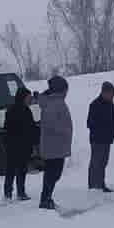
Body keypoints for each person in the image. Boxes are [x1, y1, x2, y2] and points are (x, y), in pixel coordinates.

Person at [37, 75, 73, 210]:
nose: (66, 93)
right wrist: (65, 130)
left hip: (56, 146)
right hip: (54, 146)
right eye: (65, 90)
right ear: (60, 90)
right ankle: (45, 200)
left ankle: (46, 198)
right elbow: (51, 123)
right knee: (53, 174)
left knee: (53, 174)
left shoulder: (54, 101)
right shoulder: (54, 103)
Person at [2, 86, 37, 201]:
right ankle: (12, 193)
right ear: (22, 97)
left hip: (20, 146)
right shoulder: (17, 111)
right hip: (16, 145)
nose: (30, 99)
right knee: (13, 170)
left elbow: (31, 128)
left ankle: (16, 193)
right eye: (28, 97)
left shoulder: (21, 110)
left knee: (18, 170)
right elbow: (9, 128)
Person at [86, 80, 114, 192]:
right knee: (96, 163)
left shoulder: (110, 104)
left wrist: (112, 132)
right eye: (111, 94)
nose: (113, 96)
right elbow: (89, 123)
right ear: (104, 92)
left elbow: (111, 121)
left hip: (107, 139)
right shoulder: (94, 104)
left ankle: (100, 184)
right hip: (97, 139)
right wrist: (102, 128)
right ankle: (94, 187)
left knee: (103, 162)